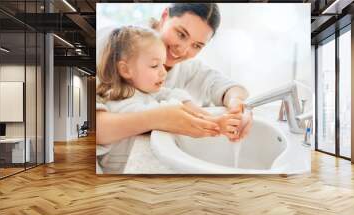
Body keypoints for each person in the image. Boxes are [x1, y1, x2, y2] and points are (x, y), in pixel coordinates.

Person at [96, 3, 252, 145]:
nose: (183, 50)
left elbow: (226, 87)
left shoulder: (188, 68)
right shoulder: (113, 46)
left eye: (196, 46)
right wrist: (158, 118)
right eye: (181, 34)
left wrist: (236, 103)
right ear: (165, 17)